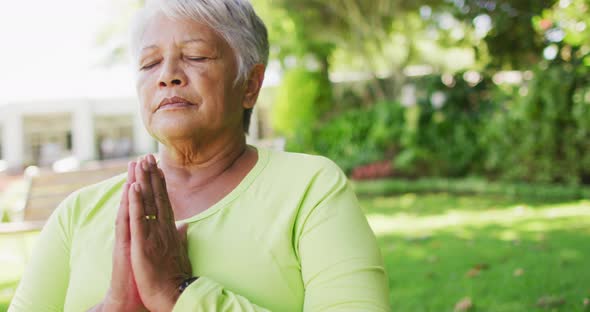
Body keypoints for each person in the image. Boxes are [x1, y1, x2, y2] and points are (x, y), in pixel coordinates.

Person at [9, 0, 391, 311]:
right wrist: (114, 307)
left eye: (196, 56)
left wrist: (179, 293)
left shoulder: (311, 189)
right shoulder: (77, 214)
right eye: (149, 63)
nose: (168, 75)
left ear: (250, 85)